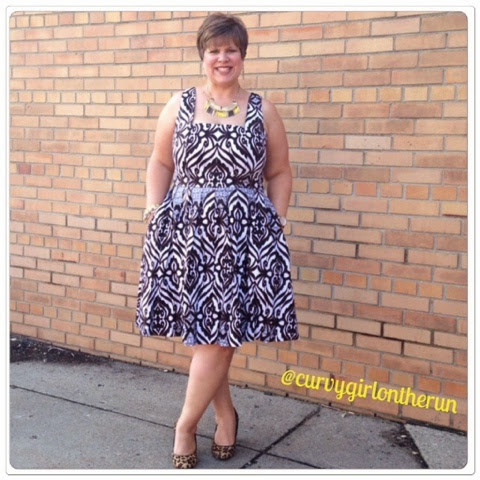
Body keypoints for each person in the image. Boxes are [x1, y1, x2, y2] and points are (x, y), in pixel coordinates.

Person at [135, 12, 298, 469]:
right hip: (187, 235)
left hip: (244, 238)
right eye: (214, 50)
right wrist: (153, 207)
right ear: (202, 56)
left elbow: (279, 171)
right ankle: (226, 415)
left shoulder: (263, 110)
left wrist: (277, 219)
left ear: (242, 56)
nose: (222, 58)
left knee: (218, 336)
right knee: (209, 335)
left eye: (231, 50)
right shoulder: (180, 105)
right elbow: (160, 162)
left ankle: (185, 426)